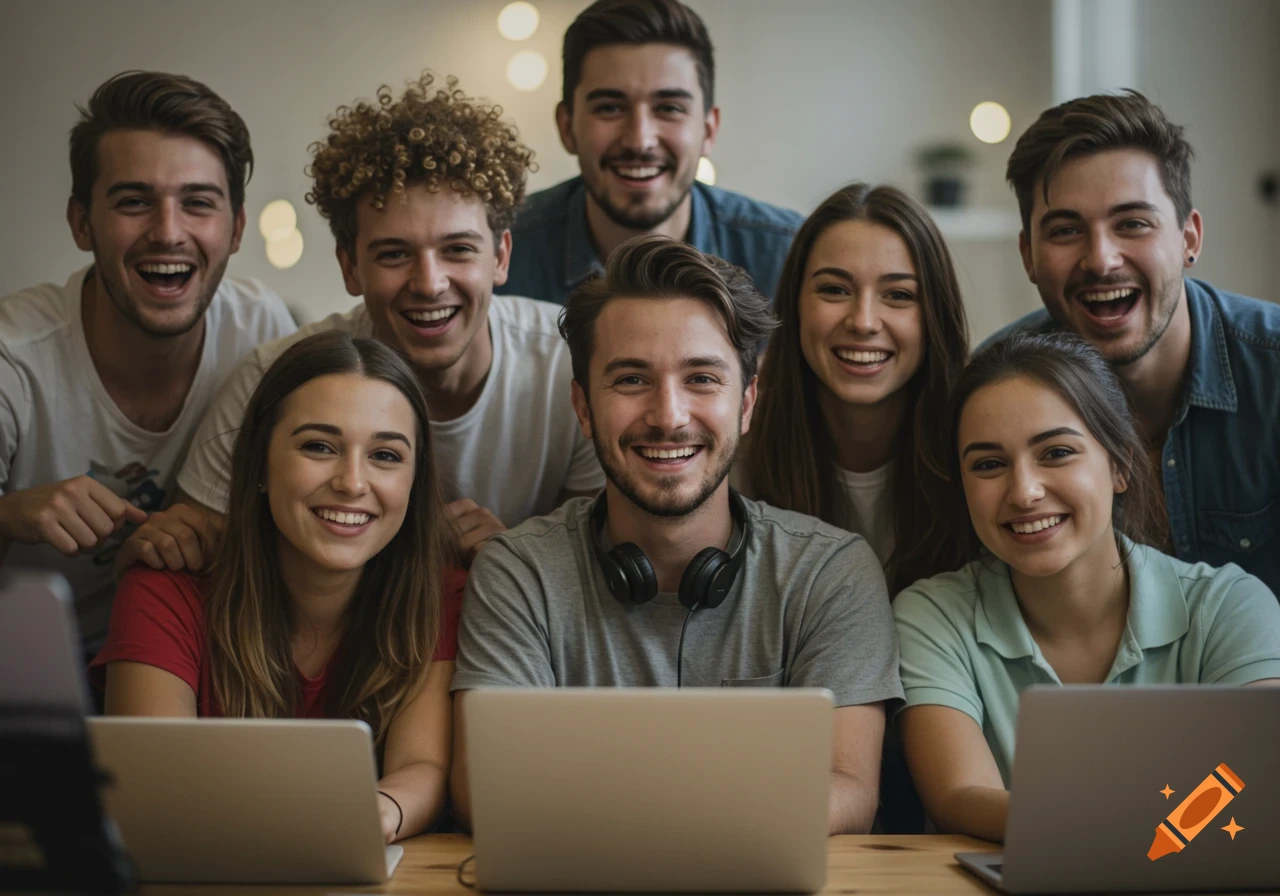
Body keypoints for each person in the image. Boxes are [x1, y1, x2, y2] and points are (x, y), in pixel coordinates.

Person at [449, 235, 904, 835]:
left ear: (746, 404)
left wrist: (616, 813)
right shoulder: (518, 572)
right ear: (583, 408)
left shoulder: (831, 571)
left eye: (702, 379)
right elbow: (488, 787)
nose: (668, 416)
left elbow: (848, 793)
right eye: (632, 380)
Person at [121, 72, 602, 574]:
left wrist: (518, 554)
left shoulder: (572, 362)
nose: (429, 283)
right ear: (350, 266)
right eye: (394, 253)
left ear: (501, 256)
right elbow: (189, 550)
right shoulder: (278, 376)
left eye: (458, 249)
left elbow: (595, 567)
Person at [894, 331, 1280, 843]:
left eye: (1055, 453)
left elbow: (1248, 776)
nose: (1025, 491)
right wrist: (1130, 835)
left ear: (1120, 463)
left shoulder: (1233, 606)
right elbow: (959, 797)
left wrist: (1124, 843)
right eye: (988, 464)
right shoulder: (930, 614)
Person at [93, 331, 464, 843]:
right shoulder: (164, 591)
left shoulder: (443, 595)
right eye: (319, 446)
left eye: (385, 456)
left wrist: (374, 814)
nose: (353, 482)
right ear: (261, 463)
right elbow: (152, 790)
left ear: (415, 480)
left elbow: (422, 765)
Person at [0, 70, 295, 654]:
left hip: (193, 667)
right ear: (82, 223)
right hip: (27, 683)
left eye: (198, 204)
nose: (167, 232)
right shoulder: (14, 357)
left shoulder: (262, 331)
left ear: (236, 229)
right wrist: (8, 514)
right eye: (134, 202)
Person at [987, 90, 1280, 594]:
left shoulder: (1272, 372)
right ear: (1028, 254)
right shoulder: (989, 396)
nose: (1101, 259)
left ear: (1189, 238)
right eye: (1065, 230)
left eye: (1132, 224)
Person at [736, 182, 970, 595]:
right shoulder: (736, 449)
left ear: (935, 314)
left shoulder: (981, 450)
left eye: (898, 295)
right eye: (834, 290)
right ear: (794, 304)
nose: (863, 321)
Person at [500, 0, 803, 306]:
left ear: (708, 130)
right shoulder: (499, 254)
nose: (639, 140)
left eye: (669, 108)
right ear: (567, 128)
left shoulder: (790, 256)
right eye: (610, 108)